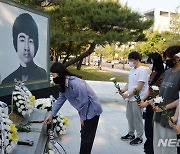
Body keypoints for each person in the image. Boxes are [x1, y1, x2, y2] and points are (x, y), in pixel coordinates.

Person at [44, 62, 102, 154]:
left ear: (60, 74)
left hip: (92, 111)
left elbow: (84, 102)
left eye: (53, 75)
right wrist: (51, 115)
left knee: (87, 138)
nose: (53, 78)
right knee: (85, 135)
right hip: (85, 111)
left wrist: (83, 118)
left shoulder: (76, 83)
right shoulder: (64, 84)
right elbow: (60, 100)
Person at [2, 13, 47, 84]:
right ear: (15, 43)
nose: (27, 47)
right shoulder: (7, 81)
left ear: (36, 44)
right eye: (22, 40)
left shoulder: (43, 74)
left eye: (30, 41)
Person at [152, 46, 180, 154]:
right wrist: (156, 102)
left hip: (170, 118)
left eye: (168, 57)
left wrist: (164, 108)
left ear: (177, 58)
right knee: (158, 147)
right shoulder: (167, 72)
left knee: (168, 149)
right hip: (159, 116)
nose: (166, 60)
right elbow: (162, 91)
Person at [120, 51, 149, 146]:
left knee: (137, 119)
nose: (130, 62)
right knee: (129, 117)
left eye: (131, 60)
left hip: (137, 99)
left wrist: (128, 94)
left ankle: (139, 137)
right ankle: (131, 133)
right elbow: (130, 83)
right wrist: (123, 89)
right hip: (130, 98)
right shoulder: (132, 70)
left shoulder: (142, 70)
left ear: (137, 60)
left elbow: (139, 87)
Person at [139, 52, 164, 154]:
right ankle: (148, 147)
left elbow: (160, 93)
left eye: (152, 62)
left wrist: (148, 102)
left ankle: (152, 150)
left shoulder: (164, 74)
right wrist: (142, 99)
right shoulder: (153, 74)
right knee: (148, 127)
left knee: (153, 129)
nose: (150, 64)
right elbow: (150, 90)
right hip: (149, 103)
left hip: (157, 104)